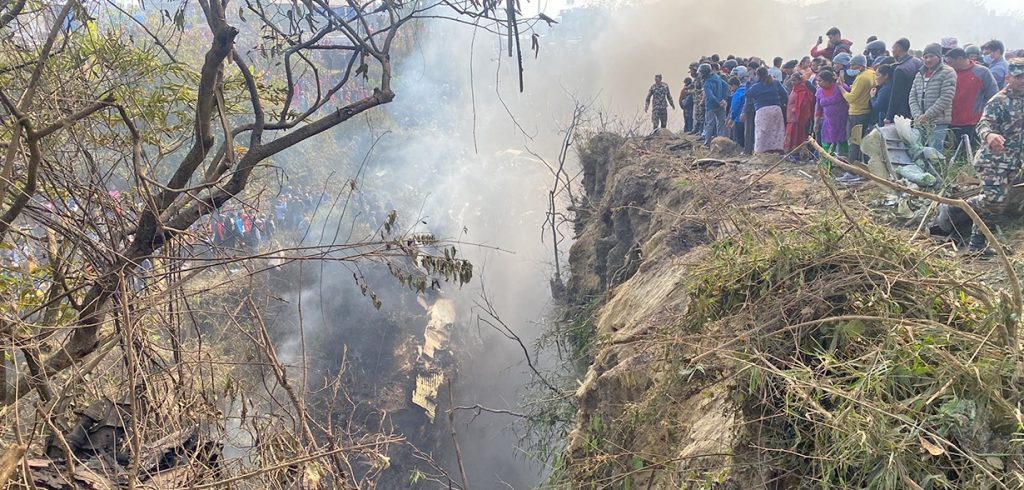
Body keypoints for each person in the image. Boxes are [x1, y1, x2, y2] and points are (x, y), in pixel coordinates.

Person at [965, 59, 1024, 254]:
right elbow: (983, 124)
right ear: (1008, 78)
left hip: (1012, 162)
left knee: (996, 207)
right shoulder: (999, 100)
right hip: (992, 161)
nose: (1023, 81)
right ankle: (964, 204)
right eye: (1019, 77)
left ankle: (976, 245)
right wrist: (990, 135)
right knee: (993, 200)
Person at [910, 43, 958, 150]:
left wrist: (927, 115)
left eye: (931, 56)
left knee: (934, 151)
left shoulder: (948, 72)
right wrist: (917, 116)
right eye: (925, 57)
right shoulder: (919, 74)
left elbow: (946, 97)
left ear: (939, 57)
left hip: (938, 121)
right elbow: (912, 96)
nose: (928, 60)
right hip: (920, 121)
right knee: (918, 150)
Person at [947, 48, 998, 147]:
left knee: (971, 153)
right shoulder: (949, 73)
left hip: (973, 122)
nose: (949, 65)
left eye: (950, 62)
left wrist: (982, 112)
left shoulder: (982, 72)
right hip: (952, 121)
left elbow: (993, 95)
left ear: (960, 59)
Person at [841, 54, 878, 163]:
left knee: (854, 142)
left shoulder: (862, 78)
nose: (851, 68)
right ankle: (862, 167)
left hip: (857, 113)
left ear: (861, 66)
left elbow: (851, 98)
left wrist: (840, 88)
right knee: (862, 143)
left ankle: (852, 170)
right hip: (866, 111)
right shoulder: (871, 73)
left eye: (853, 66)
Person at [743, 66, 789, 154]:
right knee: (777, 131)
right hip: (776, 109)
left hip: (762, 111)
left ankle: (762, 152)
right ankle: (778, 150)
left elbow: (748, 94)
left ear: (758, 76)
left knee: (762, 132)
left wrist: (749, 82)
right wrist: (780, 103)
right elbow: (785, 95)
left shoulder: (756, 86)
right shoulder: (776, 83)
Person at [886, 38, 924, 125]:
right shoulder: (918, 62)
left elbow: (895, 95)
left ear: (898, 49)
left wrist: (889, 116)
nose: (892, 52)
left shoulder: (900, 69)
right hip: (918, 107)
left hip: (904, 110)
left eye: (893, 49)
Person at [814, 70, 850, 161]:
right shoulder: (819, 92)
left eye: (820, 81)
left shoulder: (841, 88)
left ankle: (848, 166)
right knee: (827, 145)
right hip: (828, 123)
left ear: (828, 81)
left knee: (844, 144)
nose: (818, 83)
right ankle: (827, 168)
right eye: (817, 81)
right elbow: (818, 110)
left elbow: (850, 99)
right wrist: (816, 123)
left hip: (843, 122)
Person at [785, 71, 816, 157]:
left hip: (797, 117)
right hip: (791, 116)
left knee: (797, 134)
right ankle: (790, 152)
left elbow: (804, 104)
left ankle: (797, 152)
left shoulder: (802, 90)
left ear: (799, 80)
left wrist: (795, 110)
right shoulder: (794, 88)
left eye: (794, 80)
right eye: (791, 80)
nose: (792, 82)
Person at [701, 63, 730, 146]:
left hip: (711, 106)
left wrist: (718, 102)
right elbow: (726, 86)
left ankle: (707, 143)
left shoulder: (706, 83)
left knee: (709, 124)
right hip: (721, 105)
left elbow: (710, 96)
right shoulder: (717, 77)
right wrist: (724, 99)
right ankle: (721, 141)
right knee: (721, 123)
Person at [871, 64, 895, 128]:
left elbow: (876, 107)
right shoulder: (893, 85)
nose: (876, 78)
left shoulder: (885, 90)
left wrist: (872, 97)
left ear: (886, 76)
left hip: (885, 119)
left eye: (878, 75)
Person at [728, 76, 747, 147]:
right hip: (748, 117)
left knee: (739, 137)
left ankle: (740, 150)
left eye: (731, 87)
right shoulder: (746, 89)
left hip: (739, 118)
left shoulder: (737, 94)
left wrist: (731, 118)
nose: (731, 89)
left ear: (733, 85)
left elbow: (735, 107)